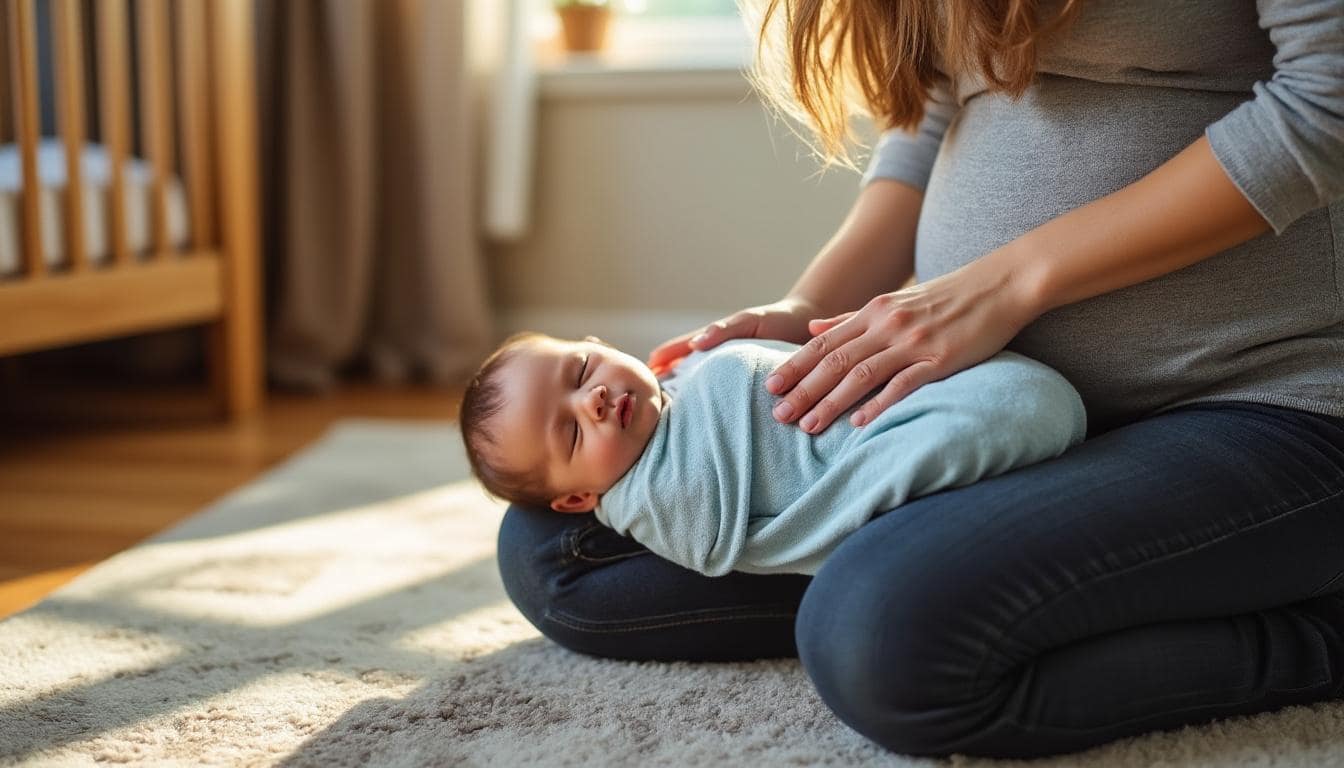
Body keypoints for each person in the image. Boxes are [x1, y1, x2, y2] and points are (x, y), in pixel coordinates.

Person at [496, 0, 1344, 758]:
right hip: (975, 423)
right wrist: (810, 308)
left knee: (877, 639)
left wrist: (1004, 285)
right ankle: (1023, 578)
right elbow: (936, 101)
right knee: (558, 554)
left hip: (1256, 398)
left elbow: (1326, 99)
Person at [461, 333, 1085, 575]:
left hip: (945, 392)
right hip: (887, 448)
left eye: (581, 369)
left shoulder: (675, 379)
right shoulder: (650, 501)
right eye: (571, 433)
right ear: (579, 497)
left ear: (597, 342)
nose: (592, 399)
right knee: (529, 551)